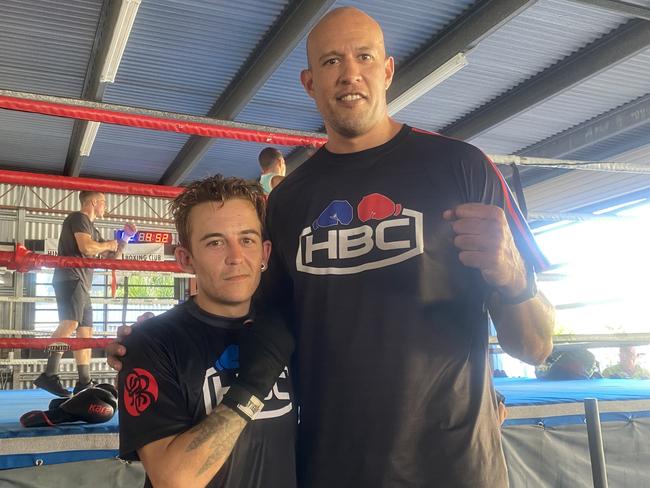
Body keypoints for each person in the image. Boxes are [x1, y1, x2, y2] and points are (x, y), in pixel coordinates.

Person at [109, 7, 555, 487]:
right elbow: (258, 321)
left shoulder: (463, 169)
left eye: (364, 56)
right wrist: (155, 344)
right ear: (309, 82)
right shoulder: (288, 200)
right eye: (331, 61)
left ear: (386, 70)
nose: (349, 74)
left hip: (457, 468)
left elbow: (535, 346)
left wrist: (513, 277)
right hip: (331, 468)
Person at [117, 175, 296, 488]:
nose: (236, 257)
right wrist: (253, 387)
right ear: (186, 259)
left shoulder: (289, 326)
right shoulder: (154, 343)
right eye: (215, 242)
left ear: (265, 254)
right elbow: (175, 481)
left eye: (247, 240)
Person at [34, 191, 136, 397]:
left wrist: (124, 238)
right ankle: (49, 373)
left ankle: (84, 381)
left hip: (82, 284)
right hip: (70, 278)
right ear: (94, 202)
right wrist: (107, 243)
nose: (105, 207)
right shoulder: (78, 218)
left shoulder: (92, 228)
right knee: (70, 323)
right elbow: (87, 248)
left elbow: (111, 258)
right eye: (104, 203)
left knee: (85, 332)